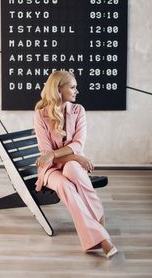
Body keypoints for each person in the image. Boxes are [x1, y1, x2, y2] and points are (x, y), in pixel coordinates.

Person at [33, 70, 117, 258]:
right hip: (50, 171)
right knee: (64, 184)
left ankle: (97, 226)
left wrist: (64, 156)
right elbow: (47, 156)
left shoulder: (78, 110)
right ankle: (102, 236)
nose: (76, 91)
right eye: (72, 87)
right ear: (58, 89)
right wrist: (77, 157)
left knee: (72, 169)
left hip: (69, 163)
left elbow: (78, 144)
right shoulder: (41, 115)